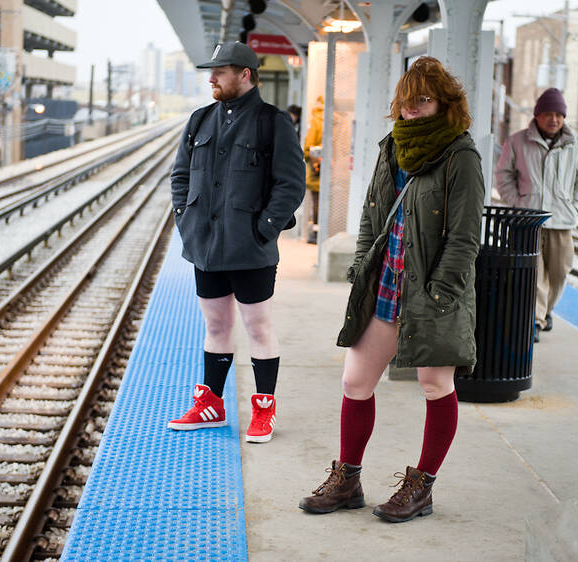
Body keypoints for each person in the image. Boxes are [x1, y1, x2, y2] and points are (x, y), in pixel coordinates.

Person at [298, 57, 485, 523]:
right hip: (385, 284)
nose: (412, 111)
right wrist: (362, 264)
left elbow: (465, 237)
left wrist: (441, 292)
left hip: (433, 293)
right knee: (355, 382)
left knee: (434, 383)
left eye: (422, 100)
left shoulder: (460, 155)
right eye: (406, 102)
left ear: (444, 102)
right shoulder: (391, 148)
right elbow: (371, 215)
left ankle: (421, 488)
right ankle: (348, 480)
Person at [168, 41, 305, 443]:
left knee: (257, 326)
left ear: (245, 74)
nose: (211, 78)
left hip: (250, 248)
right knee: (216, 324)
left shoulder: (272, 121)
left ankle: (264, 409)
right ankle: (211, 404)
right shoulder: (199, 120)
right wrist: (185, 219)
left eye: (220, 71)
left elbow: (290, 184)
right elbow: (180, 177)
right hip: (206, 246)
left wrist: (263, 229)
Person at [495, 87, 578, 343]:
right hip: (529, 220)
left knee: (560, 271)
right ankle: (535, 321)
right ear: (537, 115)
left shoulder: (577, 146)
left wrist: (575, 206)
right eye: (548, 114)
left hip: (563, 220)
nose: (554, 119)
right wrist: (517, 203)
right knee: (535, 273)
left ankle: (546, 311)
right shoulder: (517, 141)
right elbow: (503, 175)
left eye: (559, 115)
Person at [302, 96, 324, 244]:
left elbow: (308, 148)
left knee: (316, 202)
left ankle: (315, 234)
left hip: (317, 170)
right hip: (336, 172)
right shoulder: (341, 120)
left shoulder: (316, 121)